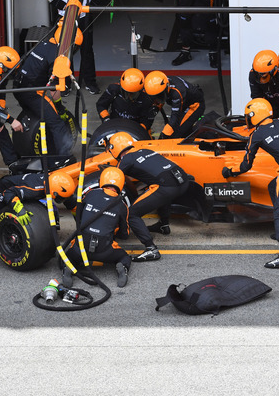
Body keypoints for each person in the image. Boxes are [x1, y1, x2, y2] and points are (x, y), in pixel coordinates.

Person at [222, 99, 279, 268]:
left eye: (249, 116)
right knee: (272, 187)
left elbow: (246, 165)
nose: (247, 119)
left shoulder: (256, 135)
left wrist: (230, 171)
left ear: (255, 116)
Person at [107, 132, 190, 262]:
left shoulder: (126, 160)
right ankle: (164, 225)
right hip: (183, 180)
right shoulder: (145, 150)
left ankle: (151, 249)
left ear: (114, 148)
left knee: (132, 212)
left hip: (167, 187)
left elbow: (114, 179)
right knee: (156, 191)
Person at [38, 0, 106, 94]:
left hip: (84, 15)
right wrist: (53, 0)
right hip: (65, 17)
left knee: (87, 50)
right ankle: (66, 83)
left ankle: (90, 82)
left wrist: (97, 1)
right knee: (64, 51)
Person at [15, 23, 82, 158]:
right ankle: (64, 158)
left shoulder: (43, 43)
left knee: (45, 115)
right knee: (57, 122)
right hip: (31, 93)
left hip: (17, 87)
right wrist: (59, 107)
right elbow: (54, 89)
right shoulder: (58, 56)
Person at [62, 166, 132, 288]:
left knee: (68, 255)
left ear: (102, 180)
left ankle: (68, 267)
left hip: (81, 248)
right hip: (104, 251)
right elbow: (125, 234)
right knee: (124, 256)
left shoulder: (90, 193)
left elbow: (79, 214)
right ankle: (122, 268)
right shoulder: (121, 205)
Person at [144, 71, 205, 139]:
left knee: (175, 133)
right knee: (179, 128)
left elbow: (175, 115)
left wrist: (164, 135)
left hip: (194, 106)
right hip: (183, 103)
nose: (157, 99)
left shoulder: (177, 92)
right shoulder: (161, 85)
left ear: (167, 87)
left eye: (160, 96)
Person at [96, 68, 157, 136]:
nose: (129, 97)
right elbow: (101, 105)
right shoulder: (113, 89)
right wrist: (106, 119)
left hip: (135, 129)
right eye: (126, 93)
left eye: (133, 94)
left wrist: (140, 129)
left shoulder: (147, 98)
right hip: (113, 126)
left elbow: (147, 120)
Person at [248, 50, 279, 116]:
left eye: (264, 74)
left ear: (274, 70)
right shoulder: (253, 75)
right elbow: (256, 96)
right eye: (258, 74)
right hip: (270, 104)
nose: (261, 77)